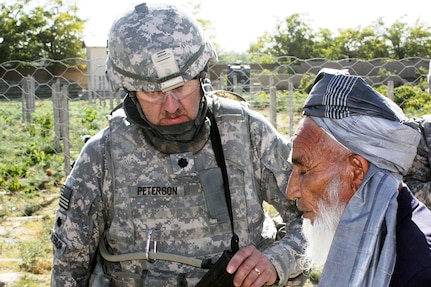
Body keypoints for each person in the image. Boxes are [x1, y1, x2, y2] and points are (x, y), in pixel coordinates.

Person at [50, 2, 305, 286]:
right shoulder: (102, 155)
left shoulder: (247, 133)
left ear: (202, 75)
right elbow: (68, 267)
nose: (171, 106)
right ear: (130, 92)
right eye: (152, 92)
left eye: (182, 86)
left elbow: (315, 218)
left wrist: (277, 260)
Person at [286, 68, 431, 287]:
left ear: (355, 171)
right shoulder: (365, 231)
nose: (291, 191)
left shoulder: (421, 272)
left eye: (304, 171)